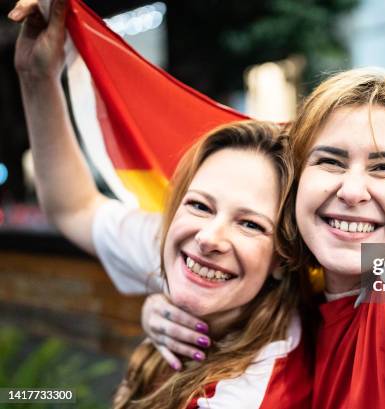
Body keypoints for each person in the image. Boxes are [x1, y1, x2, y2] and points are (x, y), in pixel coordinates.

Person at [11, 1, 385, 407]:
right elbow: (75, 209)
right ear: (297, 201)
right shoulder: (244, 257)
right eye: (329, 160)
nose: (353, 188)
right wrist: (38, 77)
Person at [11, 1, 312, 408]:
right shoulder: (175, 248)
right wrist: (36, 75)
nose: (209, 238)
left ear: (284, 258)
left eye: (251, 225)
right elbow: (73, 208)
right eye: (201, 206)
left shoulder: (249, 394)